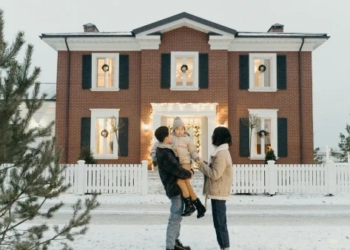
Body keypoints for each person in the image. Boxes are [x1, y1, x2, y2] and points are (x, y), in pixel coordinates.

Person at [151, 117, 206, 218]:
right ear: (173, 130)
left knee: (180, 182)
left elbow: (193, 151)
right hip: (176, 163)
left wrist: (197, 158)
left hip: (185, 163)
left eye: (182, 129)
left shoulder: (188, 139)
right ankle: (198, 205)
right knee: (186, 184)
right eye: (177, 129)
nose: (180, 131)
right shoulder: (170, 137)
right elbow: (157, 144)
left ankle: (189, 204)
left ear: (184, 129)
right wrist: (154, 155)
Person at [154, 126, 193, 250]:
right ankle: (170, 246)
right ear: (166, 138)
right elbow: (176, 169)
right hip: (173, 188)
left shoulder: (165, 150)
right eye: (169, 135)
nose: (171, 136)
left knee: (177, 217)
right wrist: (189, 173)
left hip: (175, 187)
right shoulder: (164, 153)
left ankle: (175, 242)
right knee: (175, 217)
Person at [196, 127, 233, 250]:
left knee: (219, 223)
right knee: (219, 222)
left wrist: (201, 166)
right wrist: (204, 163)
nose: (212, 137)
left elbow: (215, 174)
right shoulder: (221, 152)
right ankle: (224, 246)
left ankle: (225, 246)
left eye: (214, 134)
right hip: (218, 191)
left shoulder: (221, 154)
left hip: (218, 192)